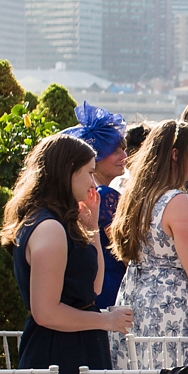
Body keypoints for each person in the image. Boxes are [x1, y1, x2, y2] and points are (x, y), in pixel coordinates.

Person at [0, 134, 134, 374]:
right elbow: (47, 311)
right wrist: (104, 321)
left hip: (81, 347)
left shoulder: (64, 225)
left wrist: (91, 233)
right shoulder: (47, 228)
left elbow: (93, 288)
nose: (93, 181)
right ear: (66, 172)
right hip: (59, 354)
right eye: (88, 172)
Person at [109, 120, 188, 368]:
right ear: (175, 155)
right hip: (172, 312)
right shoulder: (178, 202)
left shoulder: (137, 198)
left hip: (136, 302)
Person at [61, 103, 129, 309]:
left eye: (124, 150)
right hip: (111, 288)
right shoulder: (106, 197)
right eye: (115, 151)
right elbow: (126, 252)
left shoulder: (78, 196)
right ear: (96, 157)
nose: (124, 157)